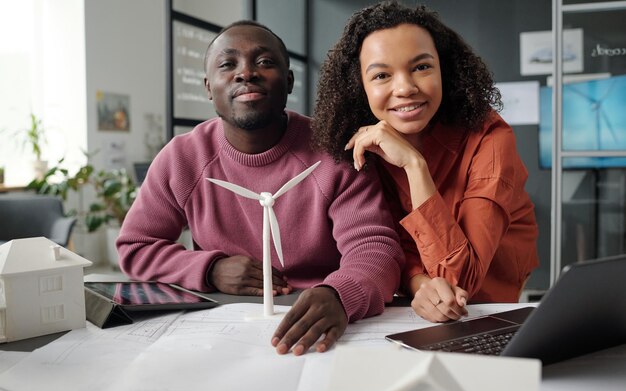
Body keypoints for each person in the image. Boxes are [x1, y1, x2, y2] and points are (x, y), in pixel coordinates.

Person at [116, 21, 404, 355]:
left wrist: (340, 294)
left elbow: (376, 249)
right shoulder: (182, 158)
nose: (246, 73)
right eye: (228, 64)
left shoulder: (336, 153)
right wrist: (210, 269)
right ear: (209, 87)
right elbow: (137, 246)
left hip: (324, 321)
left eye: (264, 62)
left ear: (289, 81)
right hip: (221, 328)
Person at [311, 1, 539, 323]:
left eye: (421, 67)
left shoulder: (490, 138)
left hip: (492, 309)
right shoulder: (359, 148)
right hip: (415, 311)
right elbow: (385, 245)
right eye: (381, 75)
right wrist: (419, 284)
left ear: (443, 69)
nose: (405, 88)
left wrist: (414, 165)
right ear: (359, 87)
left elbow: (462, 279)